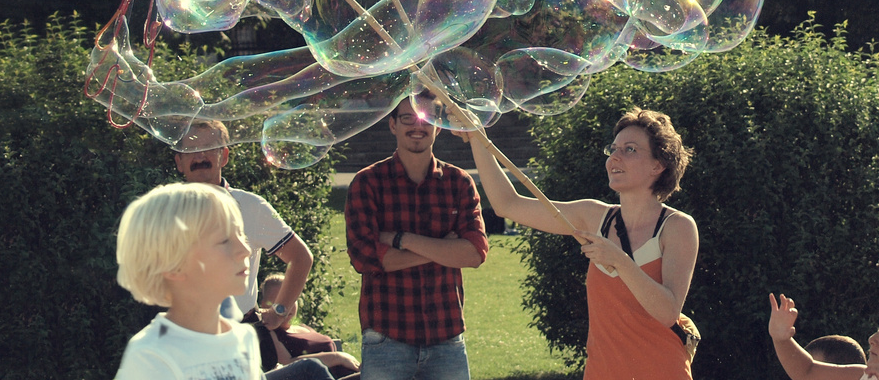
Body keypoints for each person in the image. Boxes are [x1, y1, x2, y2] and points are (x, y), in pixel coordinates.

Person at [466, 107, 697, 380]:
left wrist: (620, 261)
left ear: (658, 165)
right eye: (613, 149)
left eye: (630, 149)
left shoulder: (677, 227)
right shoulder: (593, 216)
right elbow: (508, 205)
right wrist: (476, 137)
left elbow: (667, 312)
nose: (615, 157)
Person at [345, 98, 488, 380]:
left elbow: (474, 254)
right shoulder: (367, 183)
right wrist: (444, 248)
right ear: (392, 125)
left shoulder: (459, 182)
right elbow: (365, 258)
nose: (417, 126)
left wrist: (401, 239)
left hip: (447, 338)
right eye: (407, 118)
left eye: (425, 118)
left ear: (439, 127)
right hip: (386, 337)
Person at [113, 181, 262, 380]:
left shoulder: (245, 339)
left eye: (241, 235)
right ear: (174, 266)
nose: (246, 250)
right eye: (224, 240)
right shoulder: (151, 356)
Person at [174, 118, 315, 323]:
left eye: (209, 148)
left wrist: (279, 311)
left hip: (239, 337)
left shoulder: (251, 207)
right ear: (179, 162)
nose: (200, 157)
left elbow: (301, 257)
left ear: (224, 156)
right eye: (192, 149)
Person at [245, 273, 361, 377]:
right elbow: (287, 364)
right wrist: (337, 357)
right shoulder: (269, 331)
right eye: (279, 301)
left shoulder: (302, 327)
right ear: (264, 305)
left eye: (290, 299)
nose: (287, 306)